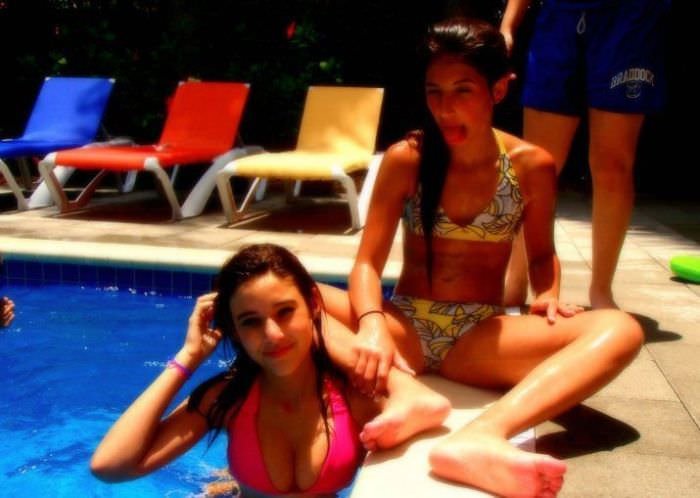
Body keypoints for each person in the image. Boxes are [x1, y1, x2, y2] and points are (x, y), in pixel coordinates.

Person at [317, 18, 644, 498]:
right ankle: (406, 394)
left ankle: (484, 434)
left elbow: (542, 256)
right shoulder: (408, 158)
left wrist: (548, 294)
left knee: (622, 329)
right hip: (402, 327)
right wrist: (371, 326)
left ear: (499, 89)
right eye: (434, 92)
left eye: (462, 91)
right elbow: (367, 263)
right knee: (283, 292)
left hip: (478, 338)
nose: (445, 108)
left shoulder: (531, 165)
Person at [90, 244, 449, 496]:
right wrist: (188, 357)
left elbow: (428, 404)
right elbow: (110, 466)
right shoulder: (228, 400)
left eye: (285, 312)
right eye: (250, 321)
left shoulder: (352, 396)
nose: (272, 334)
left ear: (313, 305)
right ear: (234, 331)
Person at [500, 0, 669, 308]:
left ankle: (601, 291)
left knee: (613, 165)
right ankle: (516, 280)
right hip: (560, 16)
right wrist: (508, 24)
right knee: (537, 165)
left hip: (629, 19)